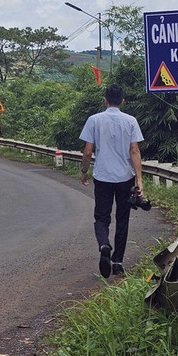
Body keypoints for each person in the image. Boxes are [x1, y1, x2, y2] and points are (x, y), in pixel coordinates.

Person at [78, 83, 144, 279]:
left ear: (105, 101)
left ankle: (104, 244)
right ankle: (117, 262)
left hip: (103, 177)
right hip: (125, 177)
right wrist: (139, 179)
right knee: (122, 219)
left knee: (101, 217)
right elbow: (135, 151)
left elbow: (88, 151)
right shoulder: (131, 121)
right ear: (122, 101)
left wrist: (84, 171)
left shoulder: (94, 120)